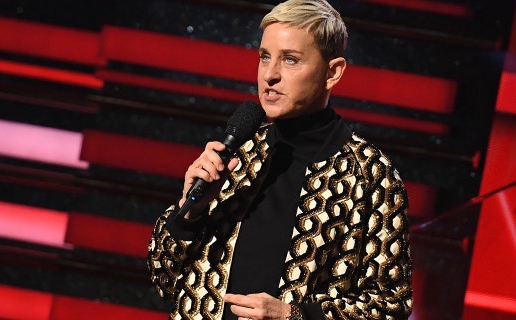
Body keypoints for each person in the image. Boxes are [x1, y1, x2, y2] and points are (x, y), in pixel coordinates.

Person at [147, 0, 413, 319]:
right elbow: (164, 280)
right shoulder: (237, 154)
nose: (270, 75)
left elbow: (390, 306)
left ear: (333, 72)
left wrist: (293, 316)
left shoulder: (370, 175)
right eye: (264, 57)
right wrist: (189, 214)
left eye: (290, 60)